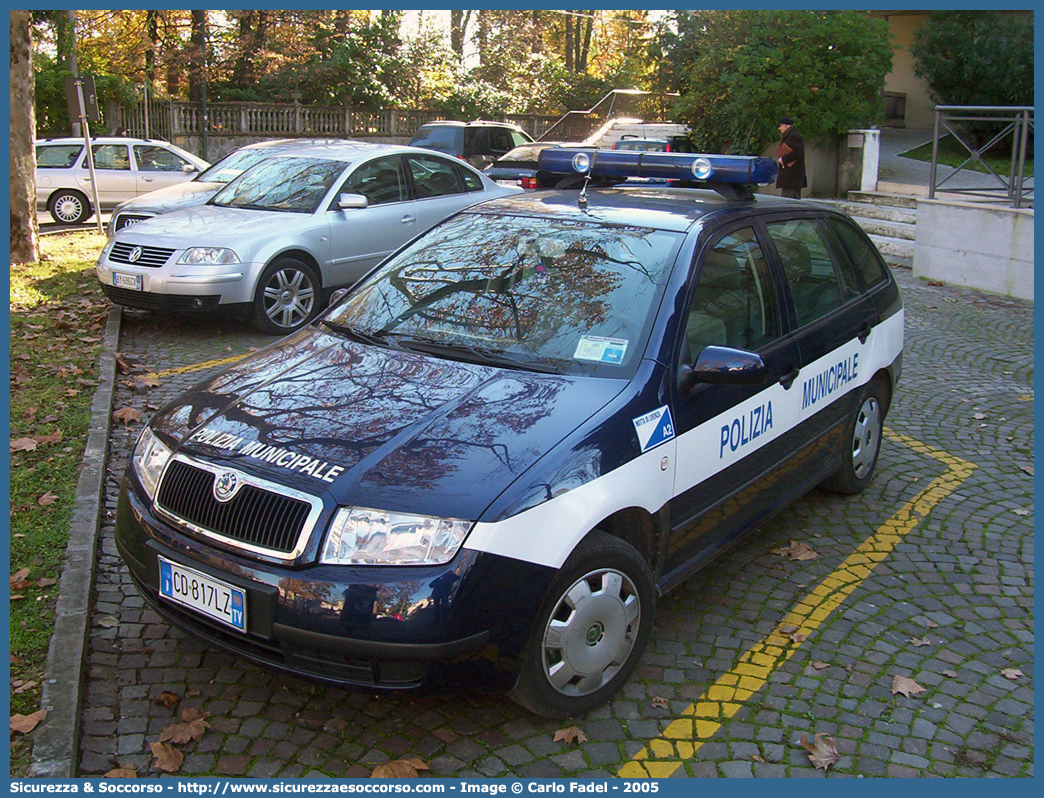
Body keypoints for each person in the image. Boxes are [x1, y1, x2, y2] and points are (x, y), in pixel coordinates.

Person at [775, 117, 806, 199]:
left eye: (780, 126)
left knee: (789, 200)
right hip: (791, 176)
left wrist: (784, 159)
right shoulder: (791, 135)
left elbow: (797, 152)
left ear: (785, 126)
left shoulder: (793, 136)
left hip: (791, 175)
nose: (779, 128)